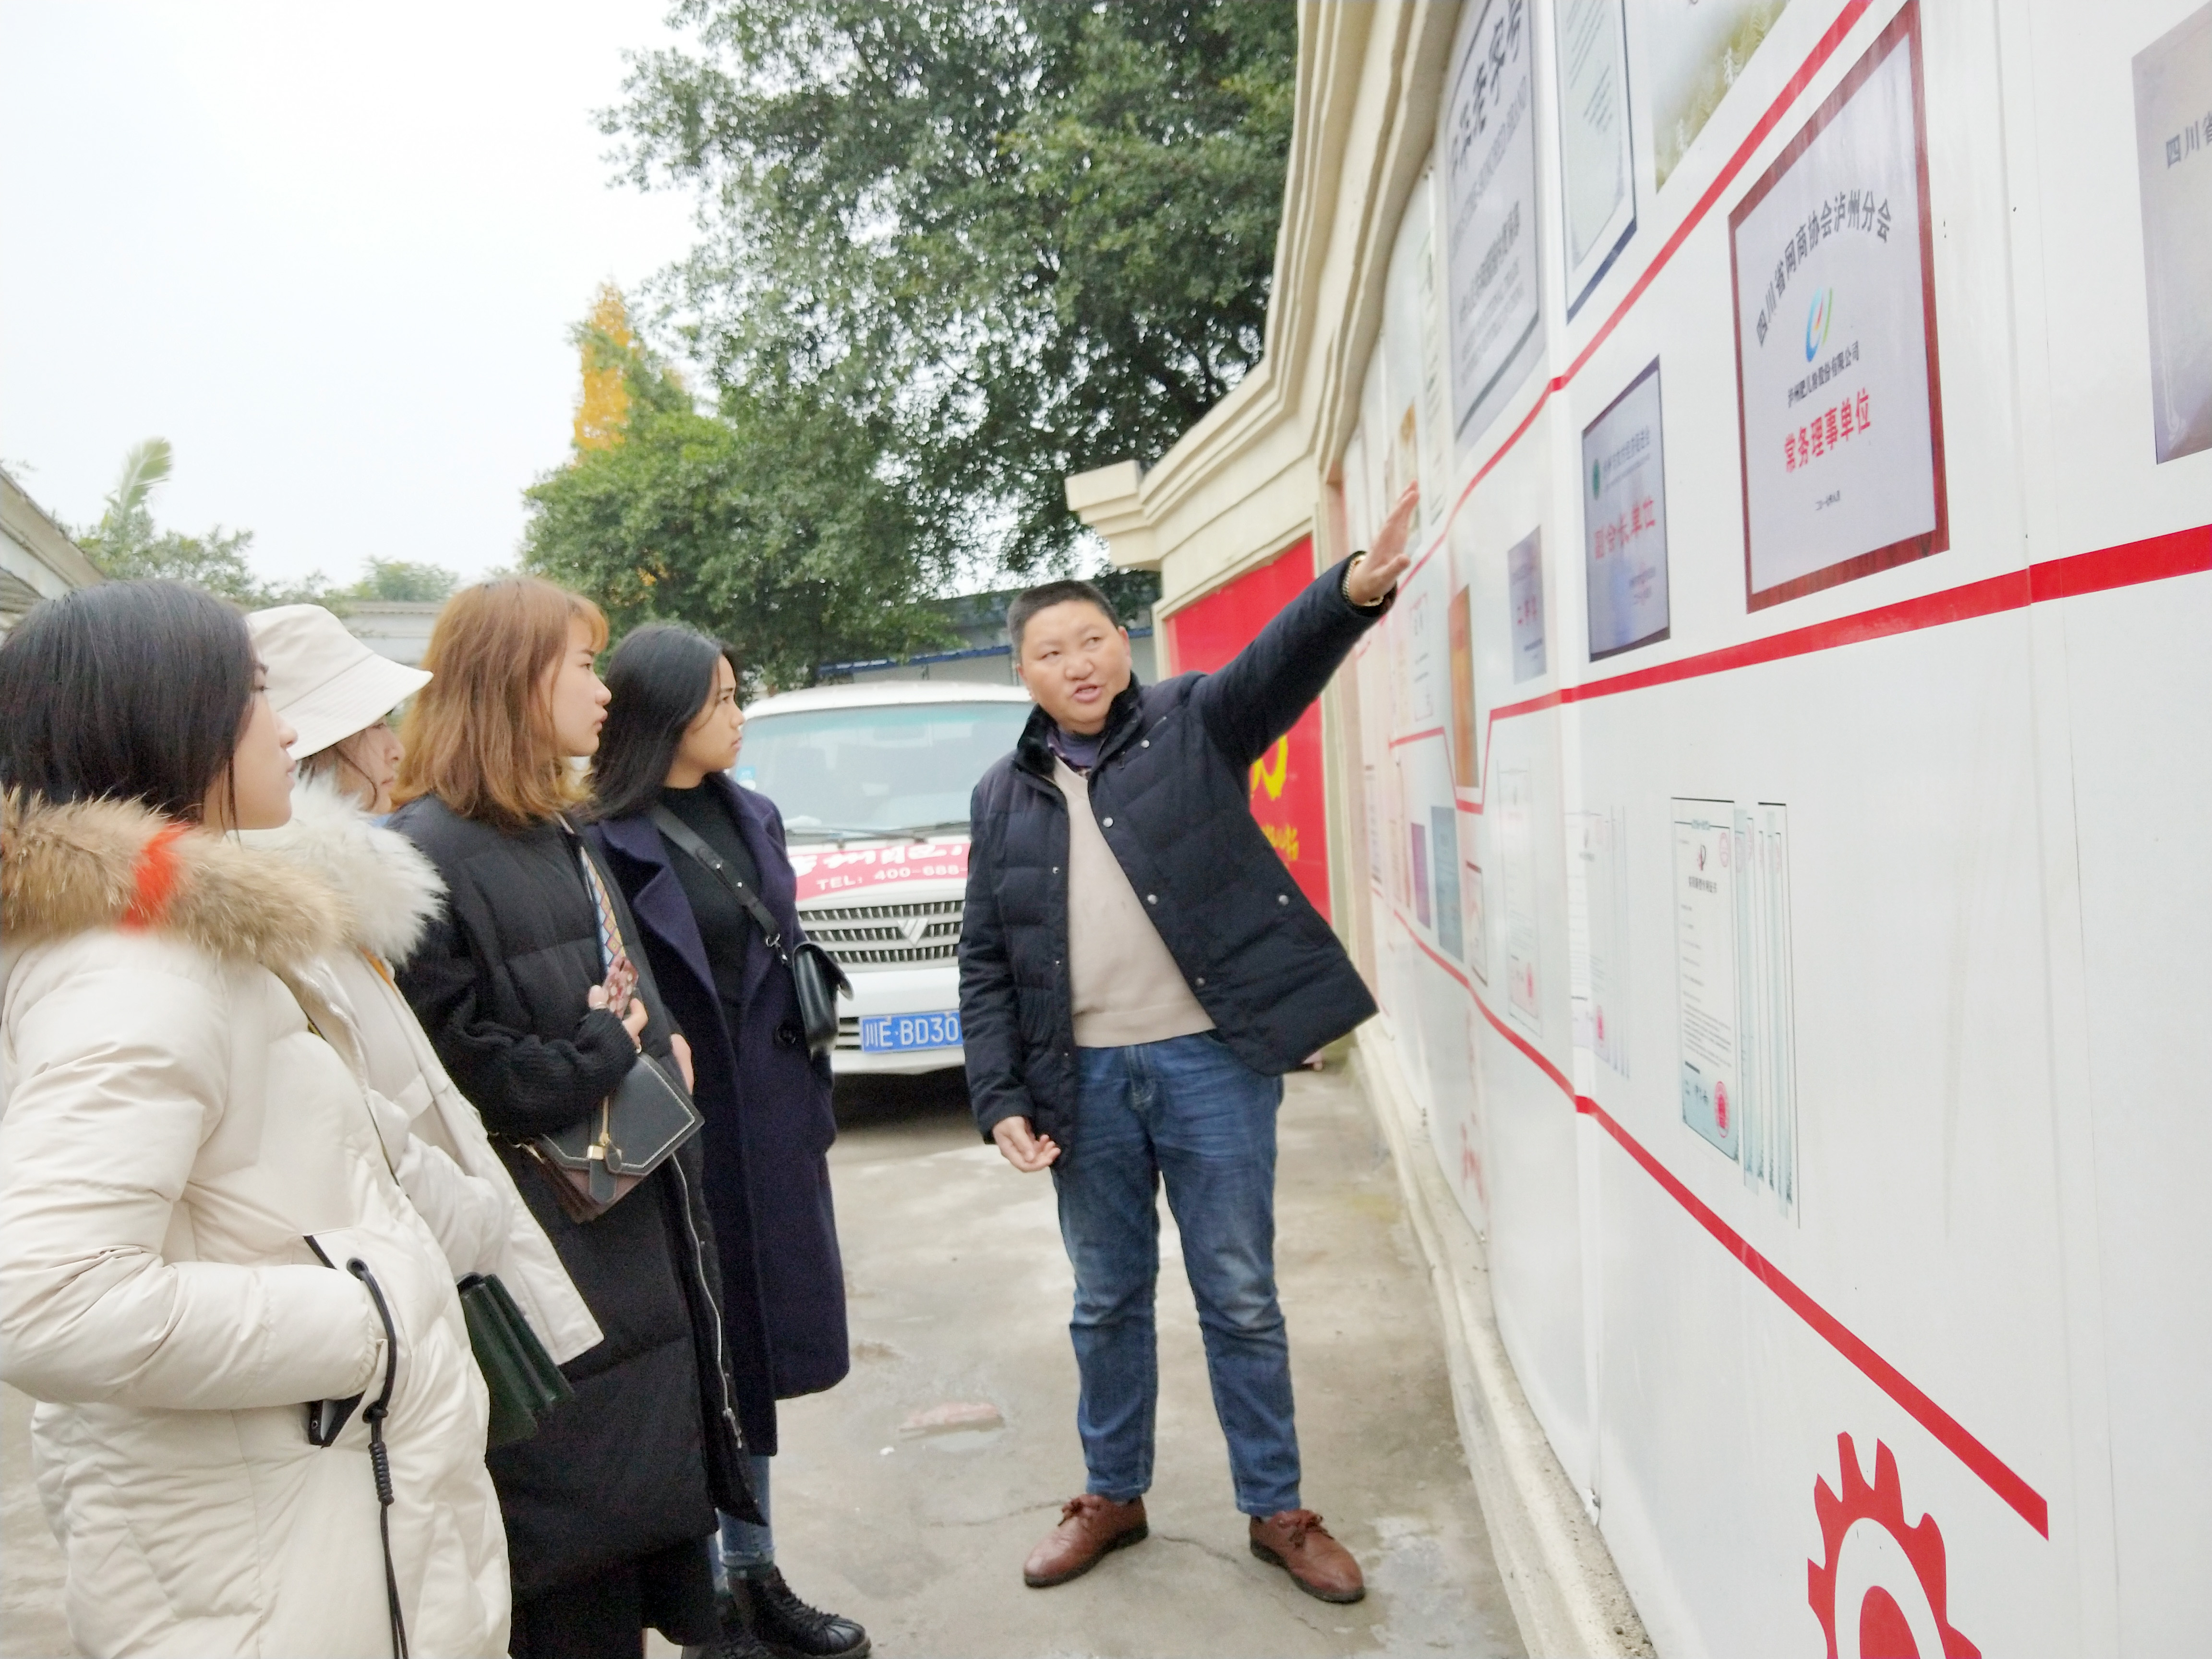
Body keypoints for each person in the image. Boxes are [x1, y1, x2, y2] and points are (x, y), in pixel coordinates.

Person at [0, 580, 508, 1657]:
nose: (286, 729)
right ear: (164, 720)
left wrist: (441, 1234)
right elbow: (44, 1300)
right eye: (255, 698)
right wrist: (374, 1323)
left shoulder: (188, 943)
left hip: (294, 1515)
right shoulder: (135, 968)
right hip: (264, 1563)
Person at [958, 490, 1420, 1604]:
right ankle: (1112, 1494)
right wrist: (1000, 1094)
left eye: (1091, 639)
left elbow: (1279, 663)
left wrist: (1353, 589)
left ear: (1125, 646)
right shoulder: (1001, 796)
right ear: (1021, 674)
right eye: (1048, 651)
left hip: (1211, 1063)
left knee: (1240, 1293)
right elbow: (984, 961)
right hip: (1083, 1088)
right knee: (1106, 1298)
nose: (1075, 662)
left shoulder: (1191, 724)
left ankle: (1277, 1508)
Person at [386, 577, 757, 1659]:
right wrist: (608, 1050)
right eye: (582, 665)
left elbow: (627, 995)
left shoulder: (560, 829)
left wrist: (648, 1047)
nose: (605, 691)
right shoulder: (424, 855)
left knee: (635, 1539)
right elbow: (453, 1075)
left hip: (634, 1230)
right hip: (547, 1263)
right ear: (512, 680)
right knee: (574, 1574)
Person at [584, 624, 866, 1659]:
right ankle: (706, 1597)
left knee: (749, 1361)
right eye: (719, 701)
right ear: (664, 717)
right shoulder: (596, 836)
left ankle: (752, 1576)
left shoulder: (756, 814)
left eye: (738, 694)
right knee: (694, 1366)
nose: (738, 715)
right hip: (674, 1142)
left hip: (772, 1132)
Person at [244, 602, 602, 1365]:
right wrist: (599, 1057)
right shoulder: (307, 915)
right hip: (392, 1307)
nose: (391, 744)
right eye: (373, 723)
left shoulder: (353, 898)